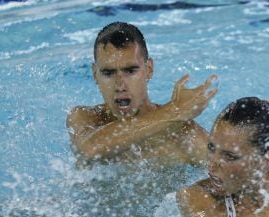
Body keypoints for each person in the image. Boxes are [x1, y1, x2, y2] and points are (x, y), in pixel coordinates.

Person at [66, 22, 217, 167]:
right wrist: (174, 111)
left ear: (149, 69)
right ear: (95, 75)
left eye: (131, 71)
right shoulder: (85, 117)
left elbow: (231, 175)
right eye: (108, 73)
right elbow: (89, 150)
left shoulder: (183, 135)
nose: (119, 85)